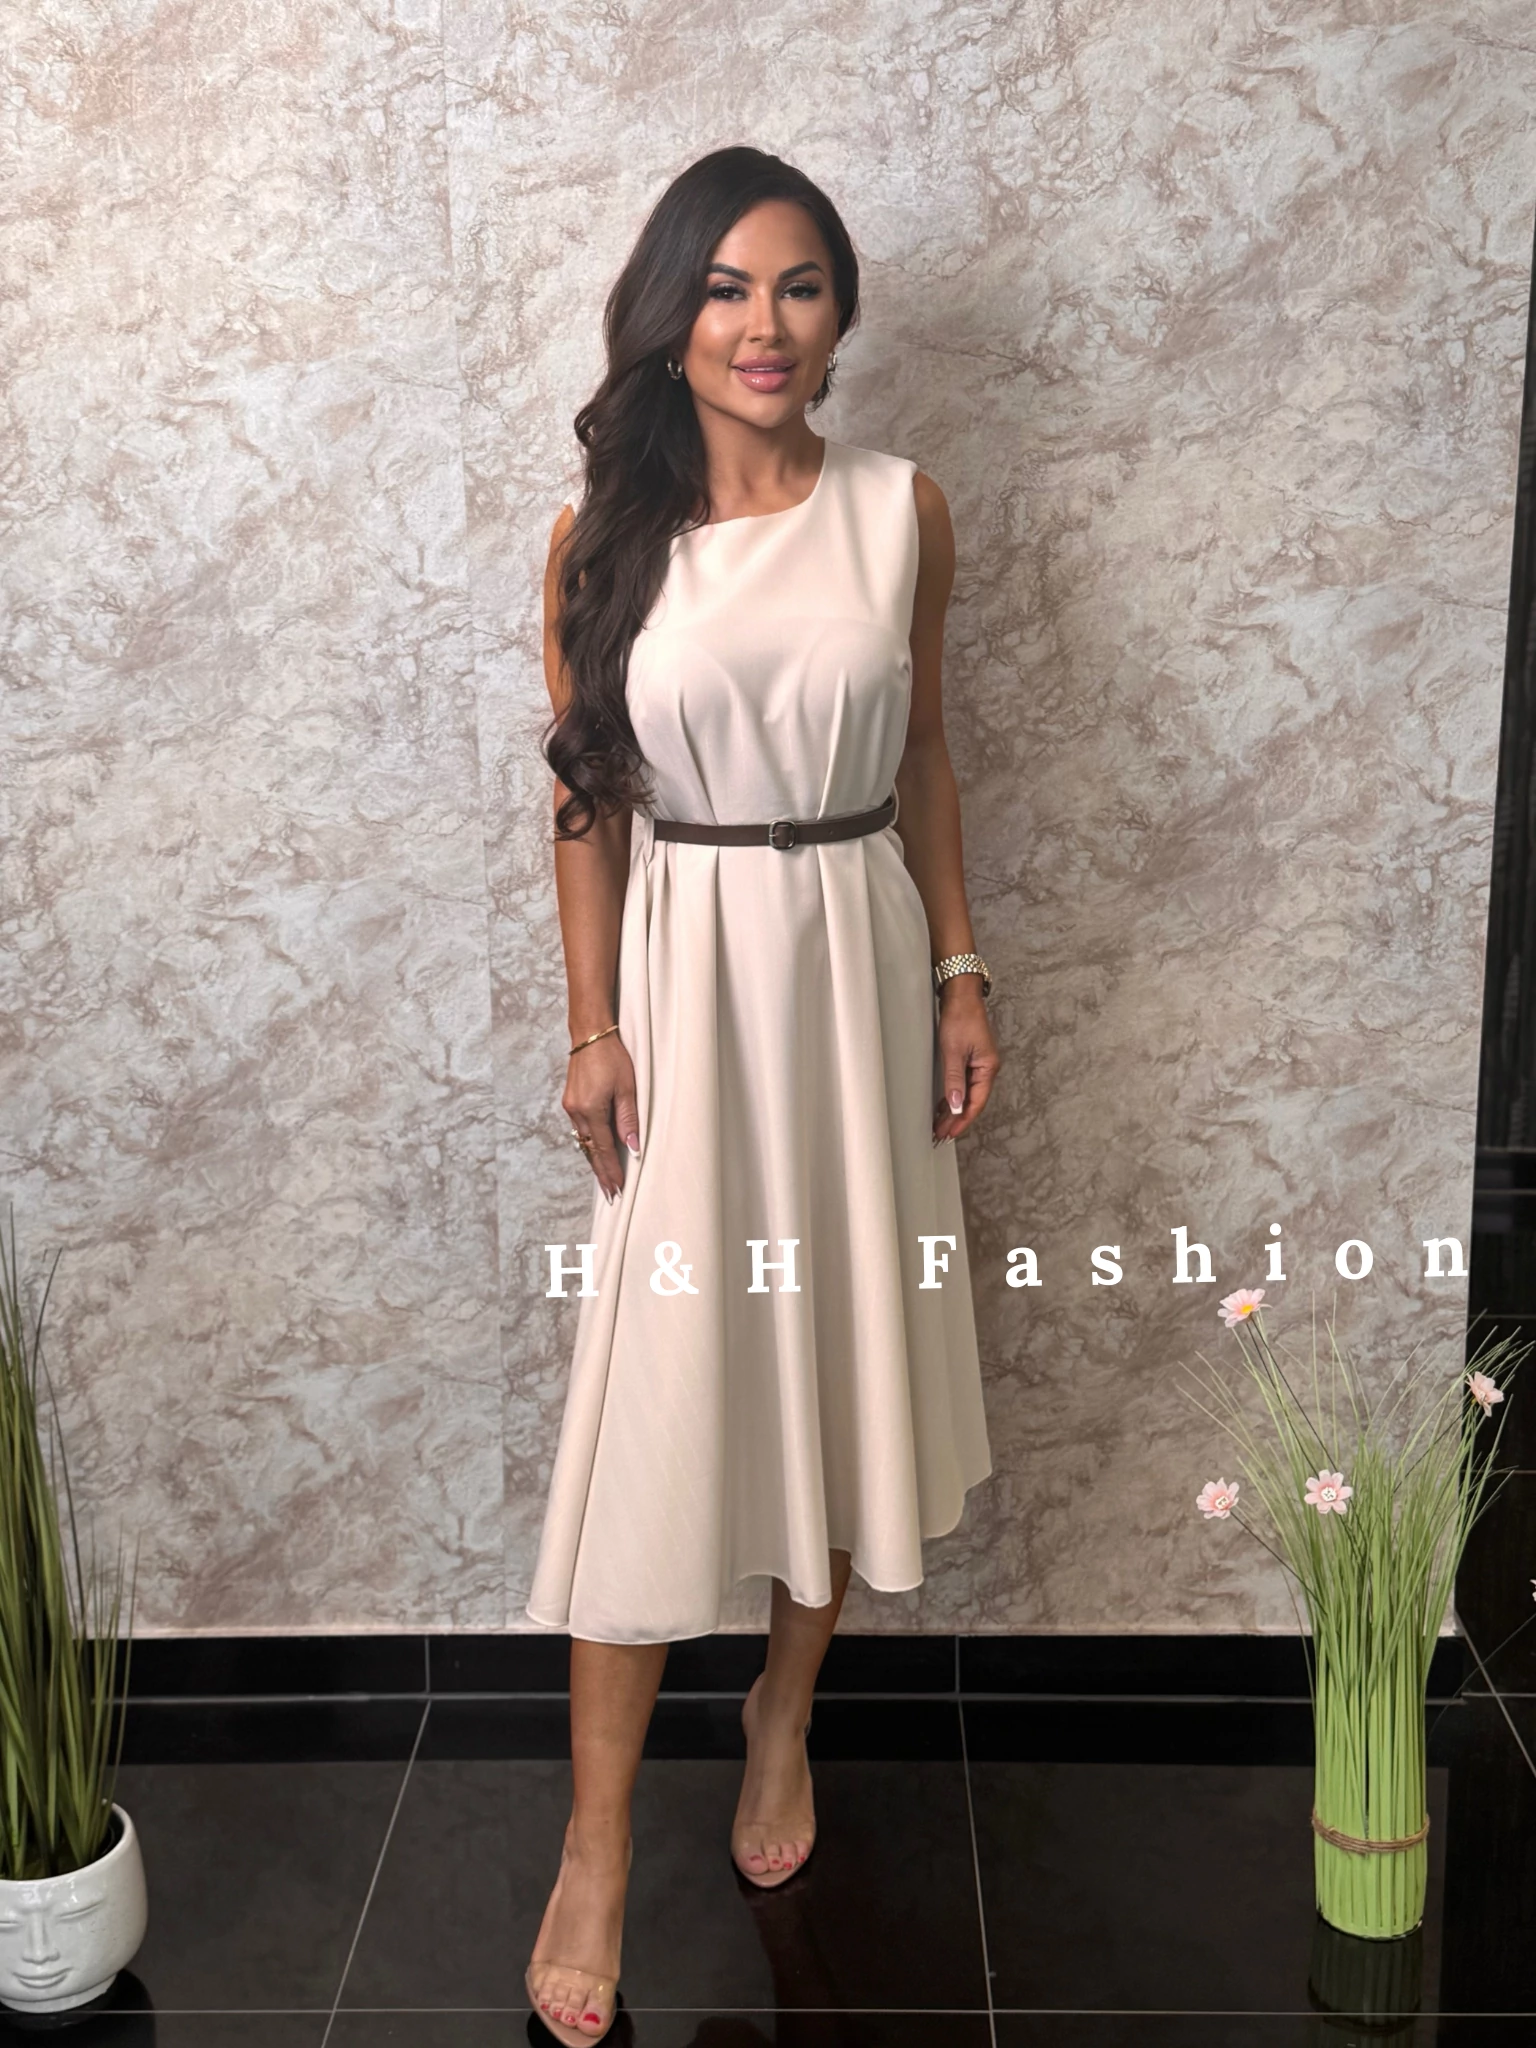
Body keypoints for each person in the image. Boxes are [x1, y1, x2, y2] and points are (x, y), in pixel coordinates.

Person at [524, 145, 1000, 2044]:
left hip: (858, 963)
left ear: (840, 310)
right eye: (725, 288)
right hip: (690, 973)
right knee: (659, 1386)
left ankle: (784, 1712)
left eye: (799, 286)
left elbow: (929, 750)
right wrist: (592, 1026)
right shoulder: (600, 542)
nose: (765, 324)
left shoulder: (903, 511)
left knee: (837, 1358)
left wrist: (961, 970)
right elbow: (586, 800)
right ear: (670, 316)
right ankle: (596, 1844)